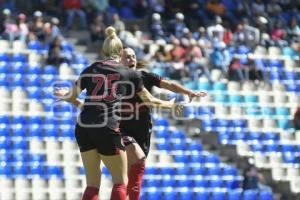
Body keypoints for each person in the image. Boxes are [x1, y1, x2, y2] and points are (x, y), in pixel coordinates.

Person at [59, 46, 206, 200]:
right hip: (119, 128)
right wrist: (171, 105)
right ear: (118, 59)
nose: (131, 59)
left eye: (133, 56)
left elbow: (167, 84)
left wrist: (187, 92)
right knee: (127, 171)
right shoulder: (124, 76)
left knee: (133, 166)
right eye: (127, 57)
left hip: (140, 128)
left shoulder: (140, 76)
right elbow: (150, 100)